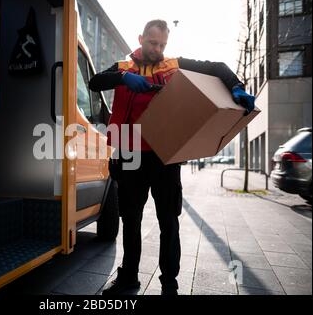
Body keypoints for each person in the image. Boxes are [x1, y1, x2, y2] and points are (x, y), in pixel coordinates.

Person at [89, 19, 255, 295]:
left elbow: (216, 68)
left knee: (169, 220)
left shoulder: (174, 65)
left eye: (163, 44)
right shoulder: (123, 67)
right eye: (153, 43)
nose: (158, 49)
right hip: (129, 155)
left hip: (166, 154)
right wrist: (122, 78)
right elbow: (95, 82)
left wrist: (236, 86)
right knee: (131, 220)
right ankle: (129, 277)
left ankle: (169, 282)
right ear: (141, 38)